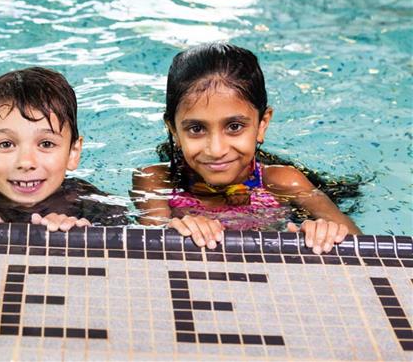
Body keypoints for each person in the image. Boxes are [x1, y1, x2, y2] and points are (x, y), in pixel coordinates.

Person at [131, 43, 361, 254]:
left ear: (262, 124)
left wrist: (325, 233)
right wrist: (173, 231)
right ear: (173, 130)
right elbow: (150, 250)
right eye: (196, 129)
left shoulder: (284, 183)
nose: (216, 149)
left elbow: (364, 248)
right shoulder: (156, 181)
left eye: (234, 126)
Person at [0, 67, 129, 232]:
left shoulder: (97, 209)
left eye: (46, 144)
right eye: (6, 144)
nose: (26, 162)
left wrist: (83, 235)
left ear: (73, 153)